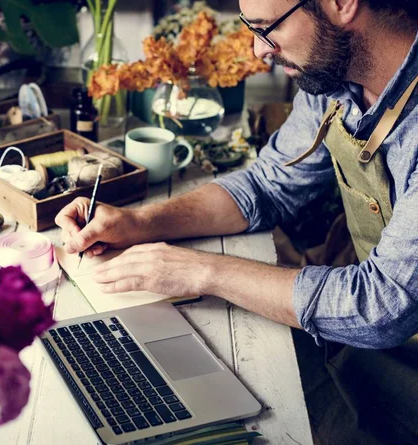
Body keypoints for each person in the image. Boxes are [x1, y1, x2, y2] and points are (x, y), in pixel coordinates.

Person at [56, 0, 418, 443]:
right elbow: (269, 184)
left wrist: (202, 271)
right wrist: (139, 222)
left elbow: (382, 305)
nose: (257, 49)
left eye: (267, 28)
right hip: (358, 348)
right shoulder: (334, 78)